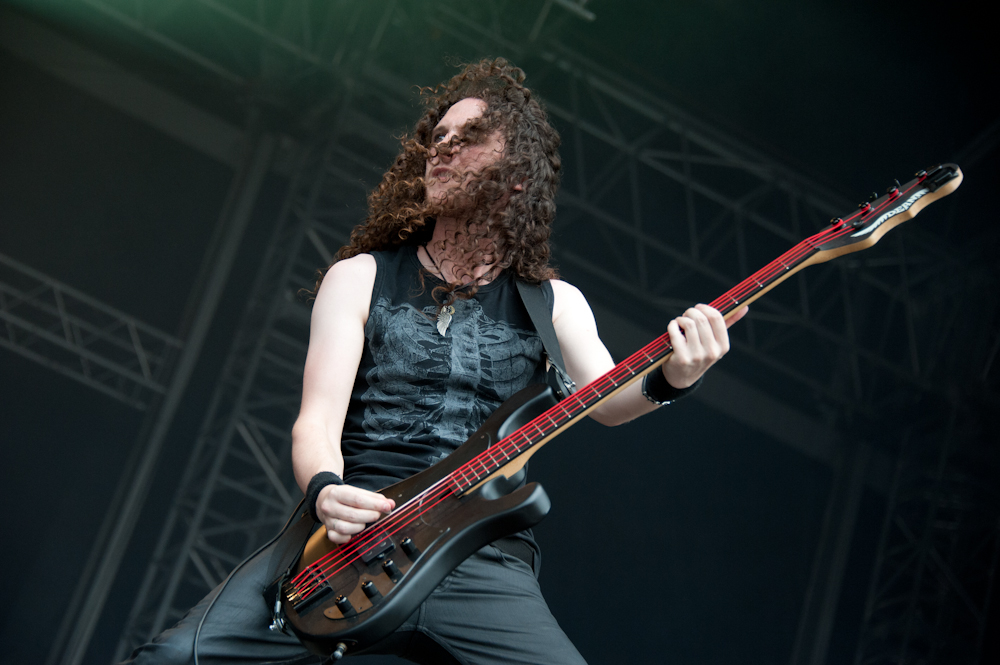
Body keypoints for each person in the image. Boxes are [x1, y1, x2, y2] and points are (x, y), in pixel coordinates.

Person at [124, 58, 746, 665]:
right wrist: (325, 489)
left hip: (480, 554)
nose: (442, 149)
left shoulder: (556, 302)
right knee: (175, 656)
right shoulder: (359, 277)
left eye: (468, 139)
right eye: (437, 138)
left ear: (517, 177)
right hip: (351, 536)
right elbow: (315, 422)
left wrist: (675, 377)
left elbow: (609, 400)